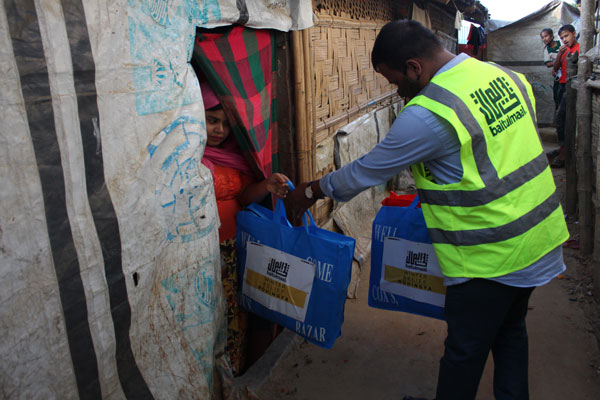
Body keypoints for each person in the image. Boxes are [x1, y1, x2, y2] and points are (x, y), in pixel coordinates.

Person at [286, 20, 569, 400]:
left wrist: (310, 190)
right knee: (510, 332)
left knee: (464, 351)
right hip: (540, 236)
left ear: (414, 68)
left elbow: (366, 171)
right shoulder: (501, 75)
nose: (396, 90)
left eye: (393, 80)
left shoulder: (430, 112)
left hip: (493, 255)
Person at [200, 81, 290, 375]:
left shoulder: (234, 153)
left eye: (225, 123)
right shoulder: (185, 156)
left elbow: (242, 197)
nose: (220, 131)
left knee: (233, 317)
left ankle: (232, 377)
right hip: (200, 254)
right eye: (212, 120)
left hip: (233, 250)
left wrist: (265, 185)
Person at [552, 24, 580, 168]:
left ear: (574, 34)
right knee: (561, 118)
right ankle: (563, 147)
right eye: (562, 37)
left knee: (561, 117)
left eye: (566, 36)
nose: (564, 39)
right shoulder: (563, 50)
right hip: (562, 86)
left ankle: (564, 153)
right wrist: (558, 55)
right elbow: (554, 69)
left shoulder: (579, 49)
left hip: (571, 87)